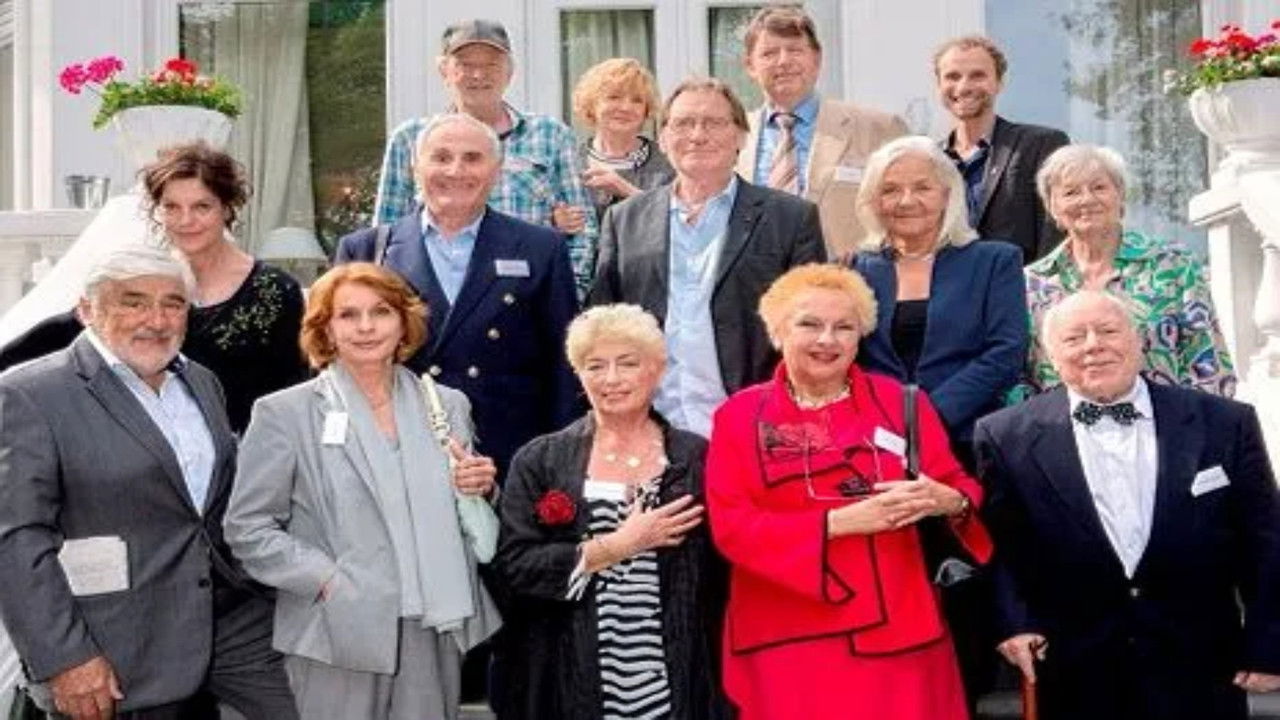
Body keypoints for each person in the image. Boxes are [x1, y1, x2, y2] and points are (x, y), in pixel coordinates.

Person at [0, 246, 298, 720]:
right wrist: (65, 658)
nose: (156, 320)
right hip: (116, 644)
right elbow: (15, 541)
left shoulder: (201, 382)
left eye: (173, 303)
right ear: (86, 310)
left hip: (233, 623)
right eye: (133, 301)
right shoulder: (28, 395)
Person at [975, 290, 1280, 720]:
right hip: (1077, 667)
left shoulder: (1225, 422)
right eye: (1074, 337)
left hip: (1200, 663)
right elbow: (1003, 546)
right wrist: (1015, 623)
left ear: (1139, 341)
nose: (1093, 345)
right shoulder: (1004, 436)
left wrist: (1268, 643)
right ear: (1050, 356)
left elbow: (1265, 540)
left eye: (1108, 330)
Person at [705, 263, 992, 720]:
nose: (827, 340)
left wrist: (948, 500)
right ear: (777, 332)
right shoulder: (738, 416)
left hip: (899, 628)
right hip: (787, 629)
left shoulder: (903, 403)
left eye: (844, 327)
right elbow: (731, 527)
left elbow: (961, 490)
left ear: (861, 338)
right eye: (810, 324)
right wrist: (837, 524)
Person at [223, 262, 502, 720]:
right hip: (337, 627)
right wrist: (327, 581)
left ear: (404, 321)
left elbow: (466, 509)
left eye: (382, 312)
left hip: (435, 621)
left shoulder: (448, 405)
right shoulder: (284, 413)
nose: (367, 327)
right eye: (348, 315)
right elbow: (246, 528)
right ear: (326, 329)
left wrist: (481, 487)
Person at [492, 303, 730, 720]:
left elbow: (722, 570)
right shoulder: (541, 459)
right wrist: (618, 546)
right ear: (579, 376)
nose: (612, 379)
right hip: (573, 676)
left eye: (628, 363)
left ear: (656, 370)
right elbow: (515, 567)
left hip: (676, 674)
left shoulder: (698, 457)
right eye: (595, 366)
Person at [0, 142, 308, 434]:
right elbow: (65, 329)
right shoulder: (141, 276)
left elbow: (293, 394)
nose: (186, 220)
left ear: (227, 209)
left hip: (242, 465)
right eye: (171, 207)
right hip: (148, 460)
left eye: (201, 206)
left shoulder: (275, 291)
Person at [337, 112, 579, 478]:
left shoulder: (541, 248)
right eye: (441, 157)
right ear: (415, 169)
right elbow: (334, 364)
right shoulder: (367, 251)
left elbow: (564, 366)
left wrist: (559, 465)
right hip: (399, 453)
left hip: (508, 456)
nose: (456, 170)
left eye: (473, 158)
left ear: (496, 171)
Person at [589, 77, 826, 438]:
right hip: (650, 432)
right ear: (664, 138)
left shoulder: (790, 218)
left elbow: (813, 328)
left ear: (741, 137)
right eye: (683, 123)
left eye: (713, 123)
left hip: (754, 430)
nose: (697, 135)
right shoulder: (624, 220)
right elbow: (602, 329)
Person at [372, 19, 598, 296]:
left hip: (524, 301)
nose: (478, 75)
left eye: (491, 65)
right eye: (465, 65)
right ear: (444, 70)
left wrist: (563, 297)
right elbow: (385, 234)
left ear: (510, 72)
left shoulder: (551, 135)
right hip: (429, 306)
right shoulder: (410, 138)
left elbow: (583, 232)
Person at [852, 136, 1027, 466]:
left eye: (922, 188)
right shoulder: (852, 268)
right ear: (874, 201)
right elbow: (844, 357)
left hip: (970, 441)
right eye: (890, 190)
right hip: (876, 446)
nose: (907, 201)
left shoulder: (995, 262)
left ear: (948, 195)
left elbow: (1006, 352)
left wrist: (926, 417)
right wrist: (885, 420)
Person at [1021, 144, 1235, 398]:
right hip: (1062, 432)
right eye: (1071, 192)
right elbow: (1021, 374)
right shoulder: (1032, 283)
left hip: (1166, 429)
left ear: (1120, 195)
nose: (1087, 199)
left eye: (1099, 187)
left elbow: (1209, 363)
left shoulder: (1173, 266)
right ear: (1052, 207)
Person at [736, 5, 907, 261]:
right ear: (750, 66)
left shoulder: (879, 129)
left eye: (795, 50)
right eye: (769, 53)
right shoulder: (732, 137)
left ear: (817, 60)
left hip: (850, 288)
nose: (783, 61)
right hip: (757, 292)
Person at [934, 35, 1070, 264]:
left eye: (977, 75)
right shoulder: (929, 160)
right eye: (952, 76)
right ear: (939, 84)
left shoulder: (1041, 145)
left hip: (1019, 293)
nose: (964, 86)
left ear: (999, 83)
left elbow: (1056, 234)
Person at [571, 58, 675, 222]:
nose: (626, 107)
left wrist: (626, 191)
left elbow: (681, 222)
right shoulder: (570, 162)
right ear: (591, 104)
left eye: (637, 100)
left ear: (646, 110)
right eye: (614, 97)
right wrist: (557, 220)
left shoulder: (668, 163)